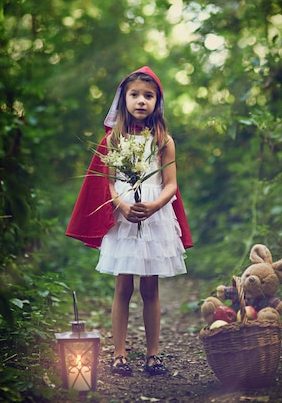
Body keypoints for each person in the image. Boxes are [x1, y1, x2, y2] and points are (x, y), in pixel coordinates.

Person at [66, 66, 193, 377]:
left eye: (148, 96)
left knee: (151, 288)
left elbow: (171, 185)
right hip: (123, 217)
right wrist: (121, 205)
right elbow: (106, 184)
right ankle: (119, 353)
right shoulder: (113, 139)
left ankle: (153, 355)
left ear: (157, 102)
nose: (141, 101)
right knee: (123, 287)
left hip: (154, 217)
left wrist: (153, 206)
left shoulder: (164, 140)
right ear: (123, 100)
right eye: (134, 95)